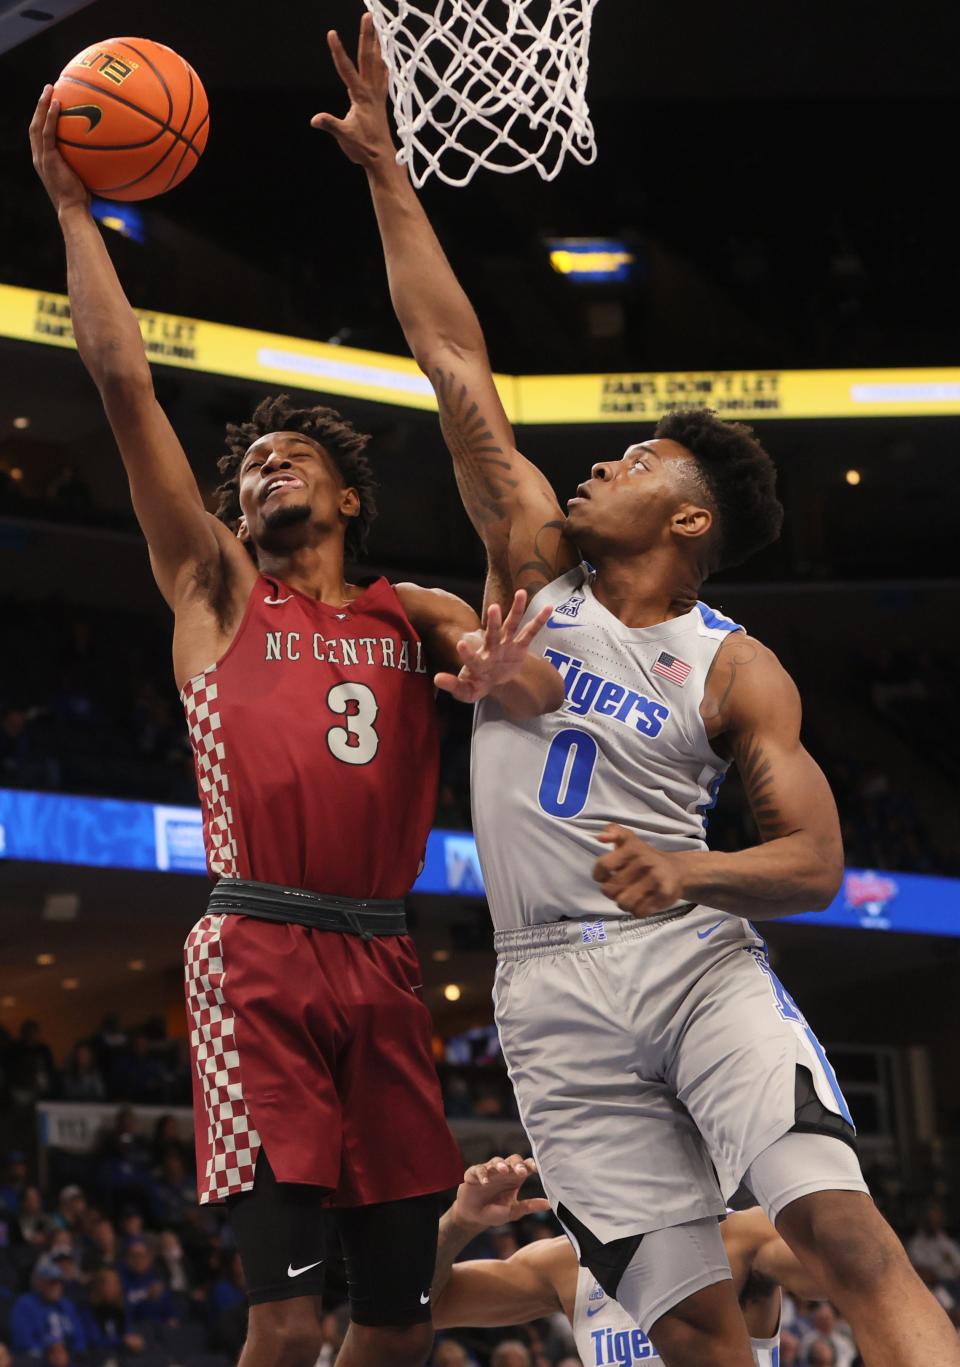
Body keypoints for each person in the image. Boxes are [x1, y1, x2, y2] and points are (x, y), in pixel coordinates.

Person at [316, 17, 960, 1367]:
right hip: (541, 987)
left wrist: (688, 868)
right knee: (680, 1329)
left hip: (690, 964)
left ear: (688, 524)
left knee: (843, 1234)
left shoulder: (732, 662)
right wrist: (386, 167)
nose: (607, 461)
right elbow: (454, 363)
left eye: (641, 457)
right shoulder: (531, 567)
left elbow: (817, 860)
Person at [29, 83, 561, 1367]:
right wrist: (71, 210)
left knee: (397, 1313)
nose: (264, 466)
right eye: (250, 463)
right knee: (284, 1315)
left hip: (384, 966)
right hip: (260, 948)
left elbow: (543, 691)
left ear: (345, 491)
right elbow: (120, 382)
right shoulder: (218, 589)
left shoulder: (414, 611)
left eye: (288, 457)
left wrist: (502, 678)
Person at [432, 1157, 827, 1366]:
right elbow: (422, 1306)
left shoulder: (743, 1235)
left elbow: (854, 1275)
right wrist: (458, 1224)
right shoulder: (566, 1261)